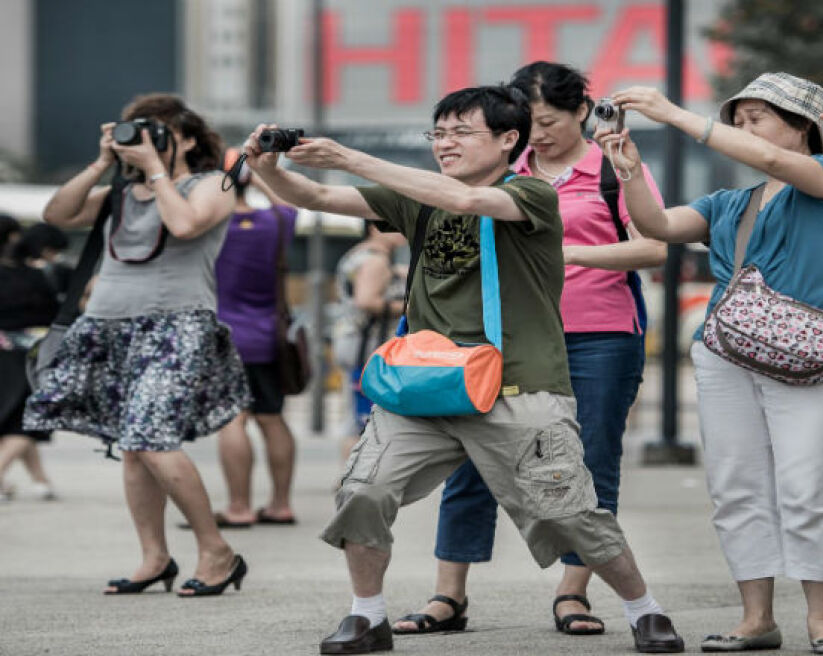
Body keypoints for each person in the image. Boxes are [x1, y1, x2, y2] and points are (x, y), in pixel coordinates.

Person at [243, 84, 686, 655]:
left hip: (518, 382)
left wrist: (347, 156)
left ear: (508, 140)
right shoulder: (415, 195)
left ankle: (643, 609)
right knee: (362, 490)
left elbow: (470, 203)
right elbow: (313, 198)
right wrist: (267, 167)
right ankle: (366, 616)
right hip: (427, 383)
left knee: (571, 511)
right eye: (439, 133)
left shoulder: (531, 193)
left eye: (461, 133)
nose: (445, 144)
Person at [392, 61, 666, 637]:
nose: (537, 133)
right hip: (499, 339)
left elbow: (654, 249)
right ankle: (449, 594)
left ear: (581, 114)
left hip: (598, 337)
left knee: (588, 466)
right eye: (527, 123)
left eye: (549, 121)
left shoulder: (611, 169)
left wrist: (565, 255)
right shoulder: (497, 173)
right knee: (468, 460)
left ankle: (574, 592)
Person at [599, 72, 823, 654]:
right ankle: (757, 618)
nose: (742, 129)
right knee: (735, 485)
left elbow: (772, 159)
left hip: (815, 351)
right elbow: (659, 226)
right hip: (728, 352)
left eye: (757, 118)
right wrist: (625, 167)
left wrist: (674, 114)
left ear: (802, 126)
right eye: (737, 120)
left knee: (809, 482)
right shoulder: (729, 202)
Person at [24, 93, 250, 597]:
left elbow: (185, 224)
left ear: (187, 139)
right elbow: (56, 214)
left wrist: (155, 170)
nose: (143, 142)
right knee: (132, 449)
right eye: (136, 133)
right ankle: (154, 557)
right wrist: (103, 163)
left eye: (157, 133)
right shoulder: (119, 195)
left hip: (176, 326)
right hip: (108, 327)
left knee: (149, 438)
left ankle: (217, 550)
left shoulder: (212, 184)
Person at [206, 148, 299, 527]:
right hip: (269, 336)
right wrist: (254, 173)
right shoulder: (276, 220)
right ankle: (280, 504)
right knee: (272, 417)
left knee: (233, 421)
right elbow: (289, 204)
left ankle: (239, 507)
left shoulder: (211, 227)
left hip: (223, 336)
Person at [332, 222, 406, 464]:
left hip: (352, 339)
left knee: (355, 414)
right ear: (373, 227)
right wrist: (407, 308)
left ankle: (349, 475)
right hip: (366, 344)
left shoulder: (358, 254)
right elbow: (366, 301)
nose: (402, 227)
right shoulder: (376, 260)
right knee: (363, 417)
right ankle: (353, 476)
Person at [0, 225, 59, 502]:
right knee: (27, 422)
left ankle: (40, 480)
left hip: (8, 353)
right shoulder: (38, 275)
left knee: (14, 419)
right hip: (26, 356)